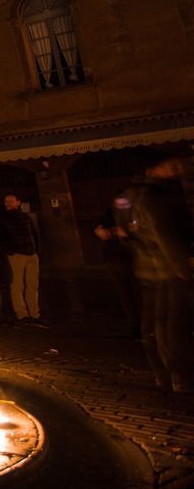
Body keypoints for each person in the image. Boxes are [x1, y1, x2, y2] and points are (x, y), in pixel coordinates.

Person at [125, 154, 193, 392]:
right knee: (172, 325)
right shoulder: (153, 197)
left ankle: (166, 373)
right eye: (171, 166)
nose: (177, 170)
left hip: (152, 268)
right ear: (154, 170)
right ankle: (177, 374)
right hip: (164, 269)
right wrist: (183, 269)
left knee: (161, 324)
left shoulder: (145, 195)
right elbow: (165, 237)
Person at [0, 194, 44, 326]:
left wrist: (36, 249)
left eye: (11, 201)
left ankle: (34, 313)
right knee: (17, 285)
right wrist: (10, 250)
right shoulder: (2, 218)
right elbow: (0, 237)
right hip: (17, 254)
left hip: (31, 253)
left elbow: (34, 233)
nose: (9, 203)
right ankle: (22, 314)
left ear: (18, 202)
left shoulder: (25, 217)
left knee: (32, 284)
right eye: (6, 201)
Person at [95, 193, 140, 336]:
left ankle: (141, 324)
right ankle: (135, 324)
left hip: (133, 258)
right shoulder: (109, 214)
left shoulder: (135, 213)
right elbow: (97, 229)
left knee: (137, 292)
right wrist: (109, 232)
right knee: (126, 293)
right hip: (116, 258)